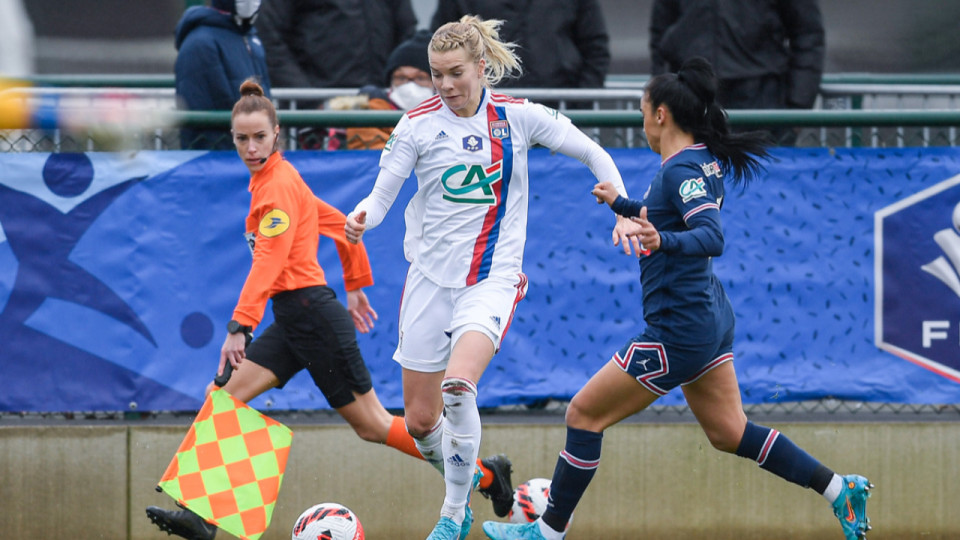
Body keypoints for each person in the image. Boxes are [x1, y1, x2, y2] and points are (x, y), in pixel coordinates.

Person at [481, 57, 873, 540]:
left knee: (583, 414)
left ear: (661, 114)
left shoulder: (681, 169)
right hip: (708, 319)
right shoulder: (696, 160)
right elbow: (671, 213)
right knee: (730, 432)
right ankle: (839, 489)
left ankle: (547, 532)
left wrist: (660, 241)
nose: (642, 121)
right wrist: (622, 205)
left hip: (677, 331)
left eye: (643, 111)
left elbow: (710, 236)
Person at [145, 79, 514, 540]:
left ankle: (484, 474)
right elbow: (344, 226)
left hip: (314, 318)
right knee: (222, 397)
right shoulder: (276, 181)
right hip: (294, 317)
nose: (251, 147)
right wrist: (356, 285)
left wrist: (240, 326)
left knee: (375, 426)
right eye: (242, 138)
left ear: (277, 133)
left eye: (260, 137)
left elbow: (270, 259)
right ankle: (205, 520)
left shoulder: (277, 186)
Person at [344, 16, 633, 540]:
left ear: (482, 67)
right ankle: (480, 476)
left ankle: (453, 514)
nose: (446, 85)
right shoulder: (416, 124)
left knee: (459, 387)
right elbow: (381, 195)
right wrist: (362, 216)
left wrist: (623, 205)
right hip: (430, 282)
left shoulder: (518, 118)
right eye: (437, 74)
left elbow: (593, 151)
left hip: (491, 280)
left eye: (456, 72)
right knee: (419, 422)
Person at [649, 0, 825, 144]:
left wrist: (797, 109)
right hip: (690, 98)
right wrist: (663, 95)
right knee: (693, 180)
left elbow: (808, 35)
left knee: (758, 182)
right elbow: (660, 35)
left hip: (761, 100)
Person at [429, 0, 610, 91]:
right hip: (487, 109)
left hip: (559, 108)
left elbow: (595, 47)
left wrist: (578, 104)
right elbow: (441, 40)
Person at [255, 0, 417, 90]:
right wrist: (307, 97)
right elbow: (269, 37)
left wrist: (397, 89)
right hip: (319, 109)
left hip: (381, 103)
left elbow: (407, 33)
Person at [174, 0, 271, 150]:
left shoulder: (250, 38)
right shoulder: (200, 44)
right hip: (219, 160)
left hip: (250, 155)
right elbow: (206, 118)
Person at [325, 28, 436, 150]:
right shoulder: (367, 108)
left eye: (420, 78)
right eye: (401, 78)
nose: (409, 86)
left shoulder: (450, 112)